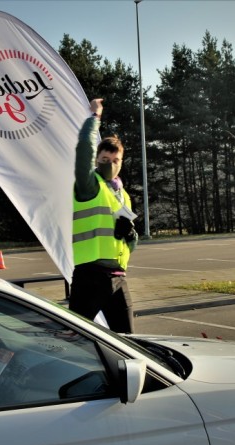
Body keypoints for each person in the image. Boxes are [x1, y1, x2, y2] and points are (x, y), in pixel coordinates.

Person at [70, 98, 138, 333]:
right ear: (97, 161)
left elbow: (129, 244)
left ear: (121, 162)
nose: (110, 164)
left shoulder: (123, 195)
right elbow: (83, 150)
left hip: (118, 277)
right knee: (75, 340)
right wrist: (94, 118)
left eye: (115, 160)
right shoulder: (90, 185)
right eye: (104, 160)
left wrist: (130, 235)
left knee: (129, 342)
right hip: (91, 276)